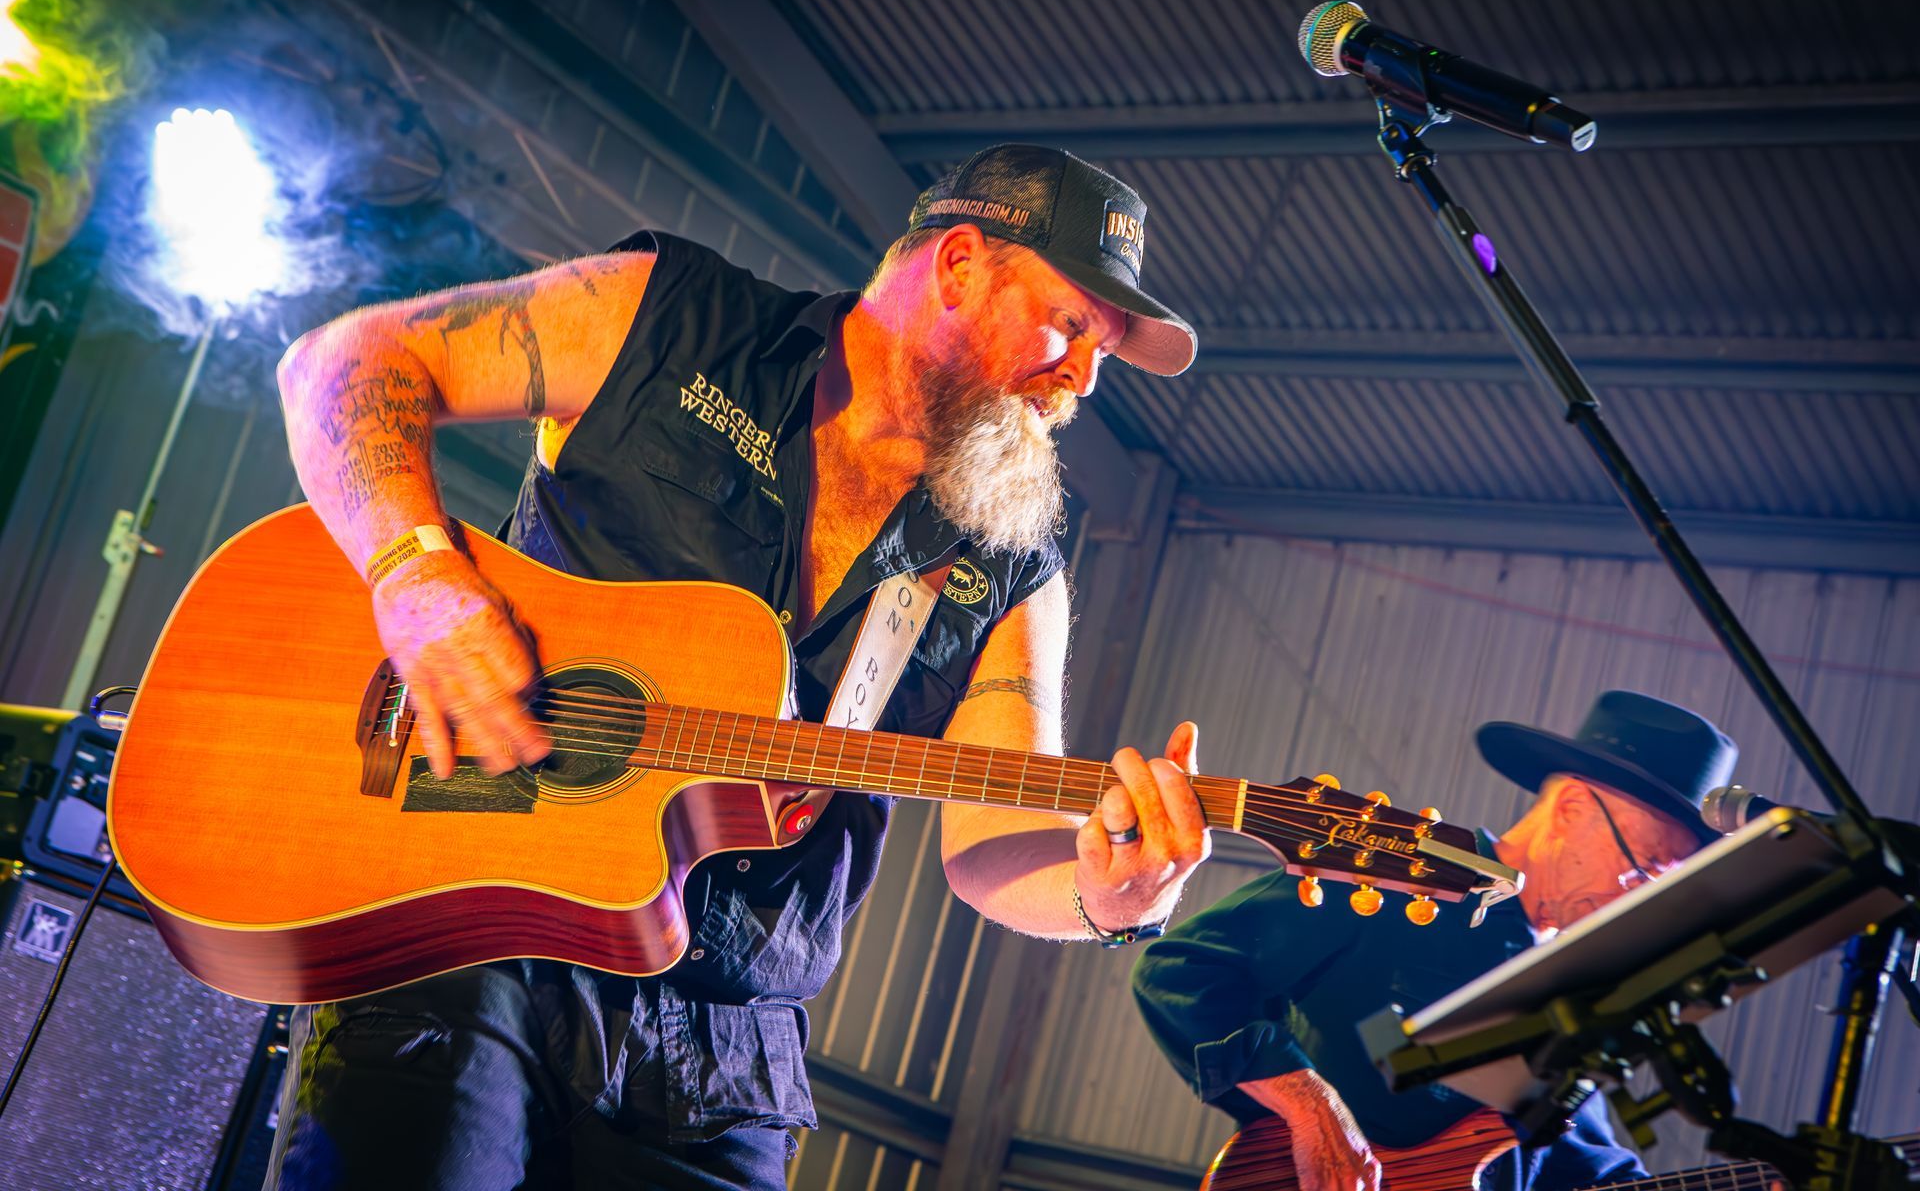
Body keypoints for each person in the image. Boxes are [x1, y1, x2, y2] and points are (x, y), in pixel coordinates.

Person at [266, 144, 1213, 1189]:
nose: (1084, 377)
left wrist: (1107, 894)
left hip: (721, 1062)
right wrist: (417, 580)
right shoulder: (667, 319)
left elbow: (991, 838)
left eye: (1105, 351)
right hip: (476, 927)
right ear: (958, 265)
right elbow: (344, 367)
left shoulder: (1013, 562)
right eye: (1073, 324)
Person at [1132, 690, 1742, 1191]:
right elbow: (1180, 971)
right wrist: (1308, 1104)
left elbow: (1583, 1166)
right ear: (1574, 810)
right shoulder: (1395, 870)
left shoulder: (1578, 991)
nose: (1644, 902)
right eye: (1648, 869)